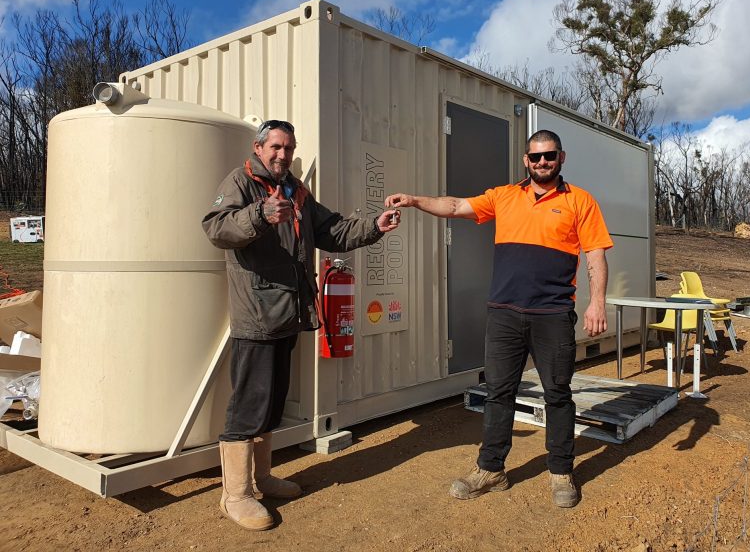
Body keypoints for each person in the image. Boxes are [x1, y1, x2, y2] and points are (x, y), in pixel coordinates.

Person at [385, 129, 611, 508]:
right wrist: (413, 200)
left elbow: (595, 256)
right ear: (526, 160)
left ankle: (560, 471)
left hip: (553, 314)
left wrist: (597, 303)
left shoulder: (581, 201)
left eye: (549, 156)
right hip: (504, 313)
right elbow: (456, 206)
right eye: (536, 157)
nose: (542, 162)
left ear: (561, 157)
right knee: (498, 393)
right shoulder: (504, 196)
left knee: (557, 395)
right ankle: (491, 469)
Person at [203, 119, 399, 530]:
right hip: (256, 314)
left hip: (288, 312)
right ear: (259, 148)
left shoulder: (297, 191)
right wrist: (259, 214)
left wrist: (373, 227)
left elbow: (332, 230)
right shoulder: (241, 182)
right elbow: (216, 227)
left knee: (272, 400)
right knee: (248, 405)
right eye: (276, 147)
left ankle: (262, 478)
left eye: (289, 148)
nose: (283, 155)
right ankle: (234, 495)